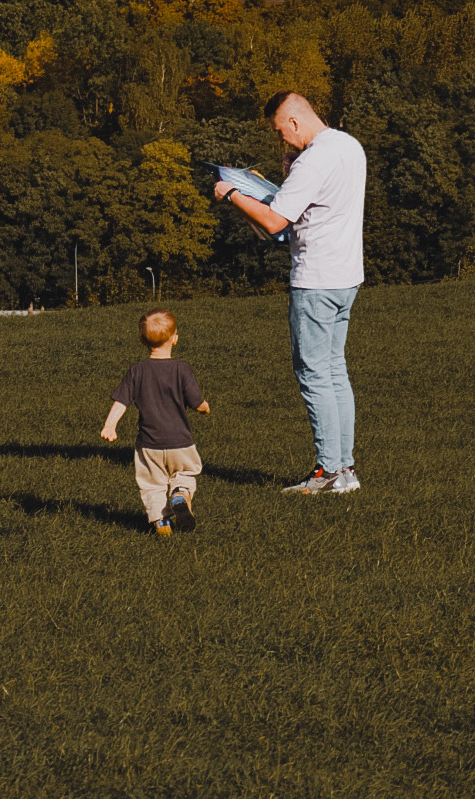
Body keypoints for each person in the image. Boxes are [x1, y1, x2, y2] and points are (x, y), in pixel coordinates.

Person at [214, 91, 366, 496]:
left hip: (315, 278)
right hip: (346, 275)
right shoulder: (348, 145)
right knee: (334, 371)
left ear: (294, 121)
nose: (281, 140)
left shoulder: (313, 160)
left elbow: (274, 220)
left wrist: (232, 194)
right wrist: (287, 174)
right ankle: (344, 468)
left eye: (280, 132)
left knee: (313, 373)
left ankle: (327, 471)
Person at [100, 308, 211, 537]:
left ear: (142, 340)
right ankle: (180, 493)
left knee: (152, 484)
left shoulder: (137, 371)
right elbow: (196, 401)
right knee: (186, 472)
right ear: (175, 339)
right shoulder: (182, 369)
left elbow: (122, 401)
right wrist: (204, 407)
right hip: (180, 442)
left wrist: (110, 426)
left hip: (149, 443)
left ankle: (161, 522)